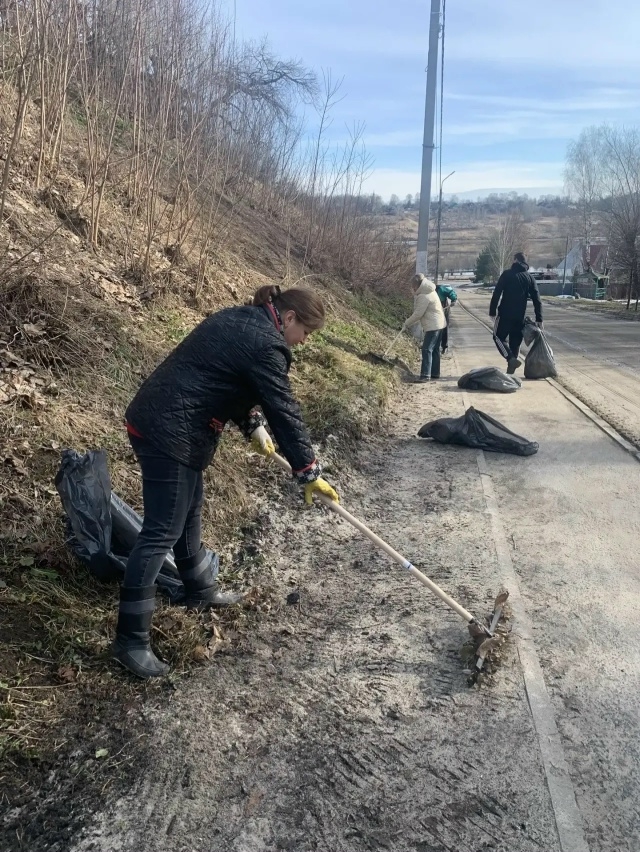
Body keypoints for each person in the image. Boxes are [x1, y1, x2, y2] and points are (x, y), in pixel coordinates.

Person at [114, 285, 339, 679]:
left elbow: (225, 375)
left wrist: (251, 424)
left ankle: (199, 590)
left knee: (190, 507)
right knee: (161, 531)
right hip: (168, 430)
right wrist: (309, 471)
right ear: (288, 318)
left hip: (174, 422)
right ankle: (130, 641)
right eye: (306, 332)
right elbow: (283, 407)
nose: (303, 342)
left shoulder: (243, 320)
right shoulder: (267, 344)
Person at [489, 252, 543, 374]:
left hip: (504, 315)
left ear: (515, 261)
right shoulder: (529, 278)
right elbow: (537, 299)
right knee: (515, 342)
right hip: (520, 317)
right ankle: (511, 372)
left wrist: (492, 311)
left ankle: (510, 359)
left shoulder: (507, 275)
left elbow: (497, 293)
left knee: (498, 337)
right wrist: (539, 318)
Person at [402, 273, 447, 383]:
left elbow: (418, 314)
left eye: (413, 286)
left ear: (416, 286)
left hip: (433, 326)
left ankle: (425, 375)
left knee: (427, 349)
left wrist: (406, 323)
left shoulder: (423, 296)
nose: (412, 289)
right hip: (440, 324)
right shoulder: (430, 290)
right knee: (435, 349)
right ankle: (435, 373)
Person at [435, 282, 457, 354]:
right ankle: (435, 345)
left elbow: (451, 292)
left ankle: (444, 346)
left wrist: (453, 299)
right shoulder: (427, 293)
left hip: (444, 310)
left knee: (444, 328)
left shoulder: (441, 289)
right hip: (435, 311)